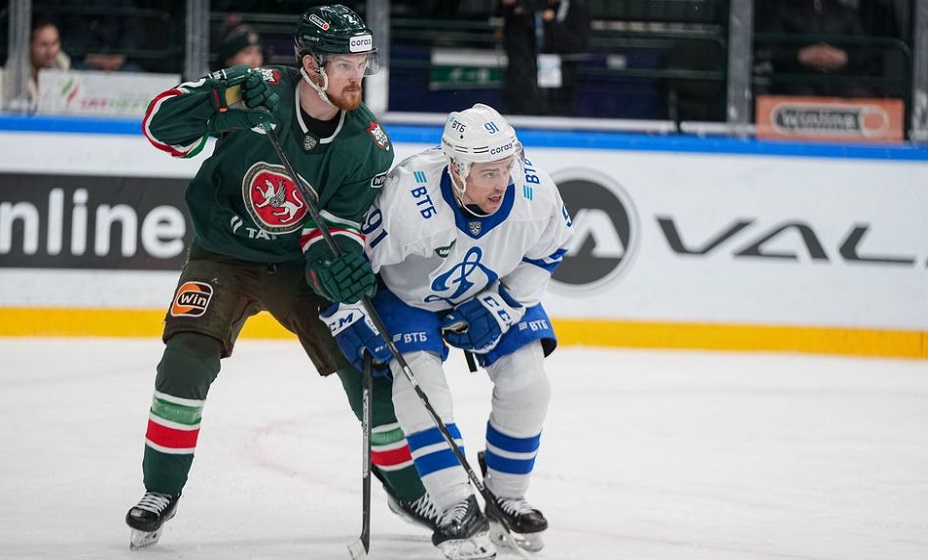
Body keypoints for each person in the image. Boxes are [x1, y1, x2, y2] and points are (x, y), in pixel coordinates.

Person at [124, 4, 438, 550]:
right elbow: (159, 129)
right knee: (186, 357)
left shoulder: (368, 144)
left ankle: (407, 489)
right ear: (311, 65)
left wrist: (338, 263)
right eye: (345, 65)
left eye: (362, 64)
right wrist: (217, 101)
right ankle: (161, 490)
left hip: (297, 267)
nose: (357, 77)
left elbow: (337, 226)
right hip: (222, 256)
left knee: (363, 363)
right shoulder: (256, 91)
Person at [323, 103, 573, 559]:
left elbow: (550, 250)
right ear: (457, 169)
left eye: (507, 168)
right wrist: (347, 312)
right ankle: (456, 503)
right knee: (421, 391)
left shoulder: (535, 192)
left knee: (529, 382)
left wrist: (506, 303)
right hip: (408, 298)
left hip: (493, 286)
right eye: (489, 173)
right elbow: (353, 259)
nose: (502, 183)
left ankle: (508, 495)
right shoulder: (408, 196)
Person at [756, 0, 873, 97]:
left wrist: (845, 57)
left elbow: (865, 53)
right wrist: (799, 55)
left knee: (861, 96)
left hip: (841, 83)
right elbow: (769, 50)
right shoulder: (783, 8)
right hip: (797, 82)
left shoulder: (846, 12)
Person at [498, 0, 591, 116]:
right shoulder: (523, 11)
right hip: (523, 86)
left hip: (561, 89)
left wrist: (552, 22)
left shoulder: (576, 12)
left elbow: (577, 46)